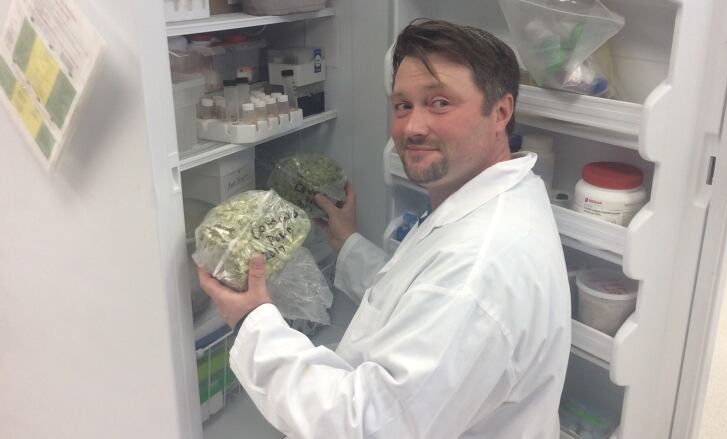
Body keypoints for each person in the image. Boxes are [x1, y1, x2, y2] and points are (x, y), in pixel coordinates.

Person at [198, 19, 571, 439]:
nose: (412, 127)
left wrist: (252, 322)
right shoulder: (491, 201)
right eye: (402, 105)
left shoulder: (479, 268)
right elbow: (419, 299)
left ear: (501, 112)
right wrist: (347, 245)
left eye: (441, 103)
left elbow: (366, 425)